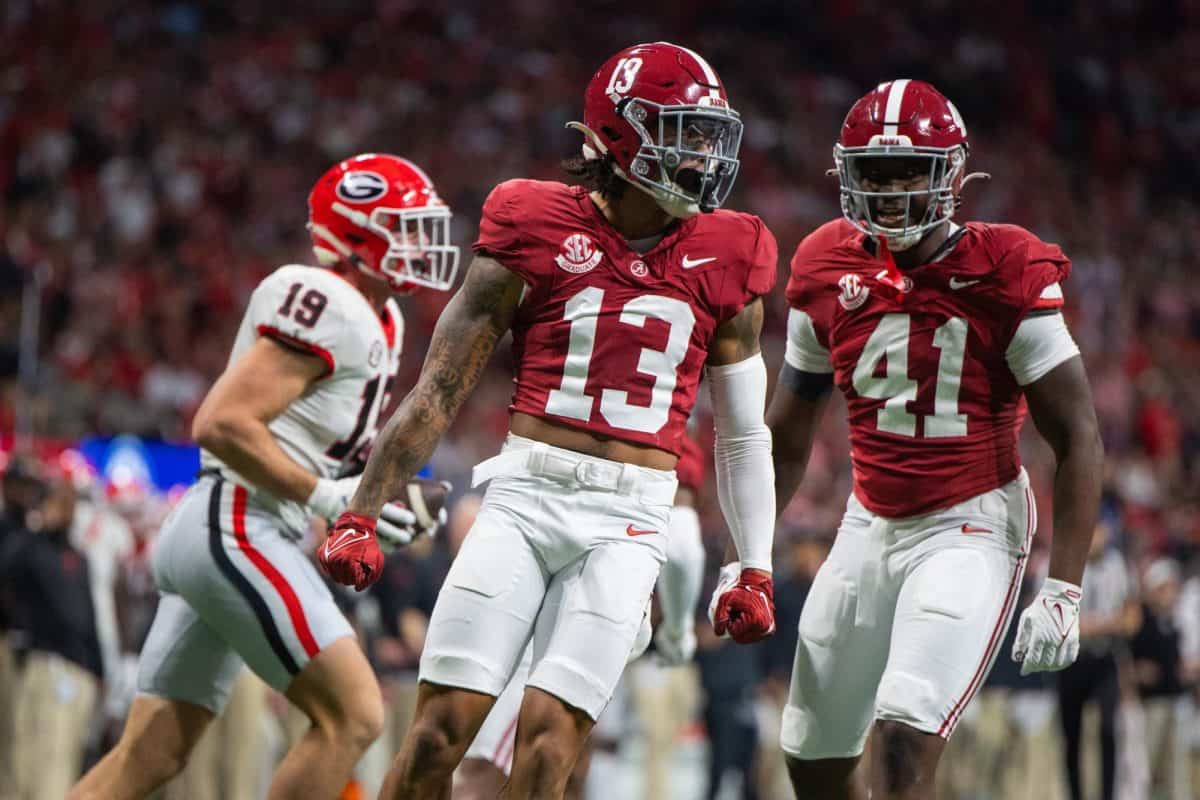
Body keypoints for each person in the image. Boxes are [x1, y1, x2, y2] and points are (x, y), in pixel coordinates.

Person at [322, 41, 780, 800]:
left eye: (708, 133)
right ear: (621, 132)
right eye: (683, 131)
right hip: (526, 498)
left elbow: (742, 432)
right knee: (437, 736)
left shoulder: (735, 249)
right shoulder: (530, 220)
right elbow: (440, 386)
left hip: (631, 518)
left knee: (546, 754)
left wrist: (753, 563)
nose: (702, 154)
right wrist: (363, 511)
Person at [68, 153, 458, 800]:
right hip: (238, 524)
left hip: (230, 525)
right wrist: (325, 497)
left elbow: (317, 446)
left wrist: (371, 503)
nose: (420, 244)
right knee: (355, 715)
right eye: (404, 227)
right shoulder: (333, 300)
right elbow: (220, 422)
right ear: (358, 233)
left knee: (152, 755)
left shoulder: (379, 318)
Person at [757, 79, 1104, 799]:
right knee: (811, 757)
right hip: (868, 520)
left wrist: (1065, 585)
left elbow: (1077, 436)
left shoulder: (1007, 266)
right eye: (872, 173)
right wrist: (746, 556)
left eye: (907, 170)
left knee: (907, 734)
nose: (888, 191)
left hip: (970, 522)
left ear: (950, 172)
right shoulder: (825, 265)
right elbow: (786, 439)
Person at [454, 433, 708, 799]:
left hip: (536, 609)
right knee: (514, 767)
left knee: (518, 765)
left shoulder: (564, 406)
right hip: (578, 622)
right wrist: (678, 631)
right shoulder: (664, 431)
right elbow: (683, 548)